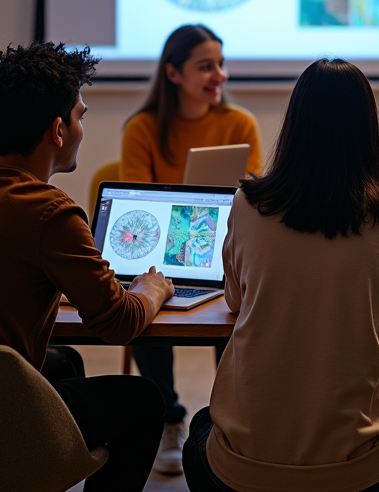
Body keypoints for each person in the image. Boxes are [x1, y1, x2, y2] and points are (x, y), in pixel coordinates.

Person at [0, 41, 176, 492]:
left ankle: (43, 468)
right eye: (80, 116)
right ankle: (28, 461)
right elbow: (118, 322)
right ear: (58, 130)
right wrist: (151, 288)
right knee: (143, 400)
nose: (81, 127)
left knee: (64, 362)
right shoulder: (49, 212)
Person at [182, 58, 379, 492]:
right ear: (365, 131)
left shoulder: (246, 204)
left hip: (243, 472)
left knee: (202, 428)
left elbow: (236, 302)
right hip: (356, 473)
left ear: (293, 125)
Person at [120, 23, 263, 474]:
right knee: (138, 305)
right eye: (206, 66)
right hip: (157, 256)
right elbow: (135, 205)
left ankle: (228, 421)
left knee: (240, 311)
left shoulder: (240, 123)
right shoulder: (142, 128)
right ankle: (169, 418)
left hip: (226, 252)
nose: (218, 74)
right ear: (173, 73)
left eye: (221, 64)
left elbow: (254, 201)